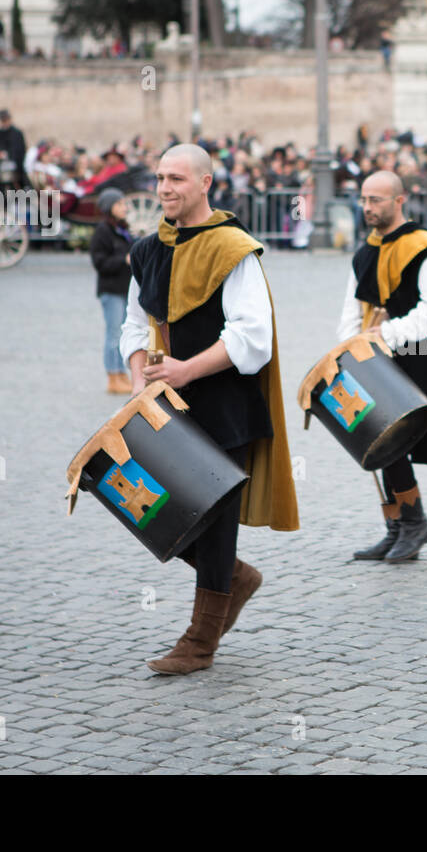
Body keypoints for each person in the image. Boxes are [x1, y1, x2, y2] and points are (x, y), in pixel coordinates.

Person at [121, 145, 298, 675]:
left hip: (225, 406)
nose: (165, 188)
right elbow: (134, 325)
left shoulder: (234, 249)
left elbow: (252, 338)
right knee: (149, 507)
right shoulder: (146, 250)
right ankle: (236, 579)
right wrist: (138, 380)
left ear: (205, 183)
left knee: (217, 523)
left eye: (176, 178)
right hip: (164, 408)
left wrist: (186, 371)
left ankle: (201, 641)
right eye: (159, 178)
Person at [341, 170, 427, 563]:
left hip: (415, 358)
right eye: (363, 200)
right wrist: (347, 350)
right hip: (370, 360)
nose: (367, 207)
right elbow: (352, 310)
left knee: (391, 438)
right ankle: (396, 525)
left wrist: (386, 336)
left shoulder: (422, 247)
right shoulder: (364, 252)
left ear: (399, 200)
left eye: (375, 200)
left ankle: (414, 522)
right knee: (373, 437)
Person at [90, 188, 133, 394]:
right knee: (113, 334)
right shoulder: (103, 231)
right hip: (111, 290)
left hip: (124, 288)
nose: (124, 207)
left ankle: (122, 373)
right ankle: (112, 376)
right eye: (120, 204)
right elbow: (99, 262)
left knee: (123, 334)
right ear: (110, 208)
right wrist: (123, 260)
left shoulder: (123, 229)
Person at [0, 109, 28, 189]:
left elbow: (20, 151)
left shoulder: (17, 133)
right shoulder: (0, 132)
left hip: (15, 166)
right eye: (2, 121)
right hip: (0, 166)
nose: (4, 123)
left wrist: (7, 155)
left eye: (5, 120)